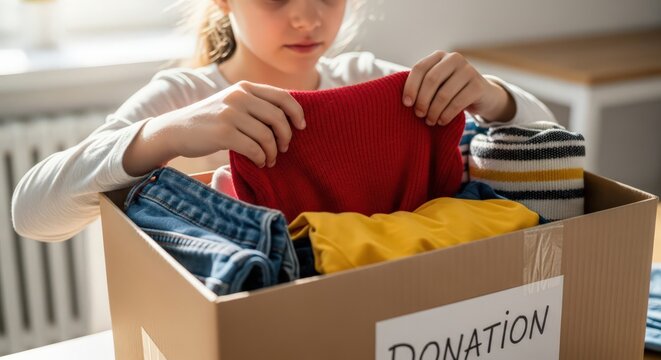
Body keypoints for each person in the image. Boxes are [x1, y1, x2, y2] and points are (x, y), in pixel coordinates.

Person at [11, 0, 556, 242]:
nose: (308, 17)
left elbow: (551, 142)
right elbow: (32, 212)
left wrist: (493, 98)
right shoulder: (187, 94)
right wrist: (169, 132)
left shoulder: (366, 79)